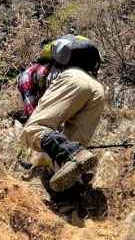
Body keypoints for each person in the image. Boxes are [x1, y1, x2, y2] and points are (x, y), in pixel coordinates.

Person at [18, 34, 105, 192]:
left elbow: (35, 116)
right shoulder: (59, 68)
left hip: (72, 81)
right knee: (69, 158)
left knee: (33, 130)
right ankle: (71, 195)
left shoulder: (28, 74)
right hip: (97, 88)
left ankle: (72, 154)